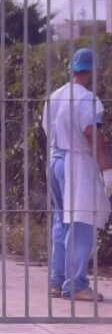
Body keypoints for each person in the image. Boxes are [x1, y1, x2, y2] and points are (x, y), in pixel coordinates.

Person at [43, 48, 112, 302]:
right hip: (76, 162)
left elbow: (47, 129)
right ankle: (76, 284)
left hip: (56, 158)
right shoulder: (87, 100)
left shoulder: (55, 96)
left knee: (61, 220)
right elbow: (91, 133)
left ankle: (57, 280)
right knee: (81, 220)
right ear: (93, 70)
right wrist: (106, 169)